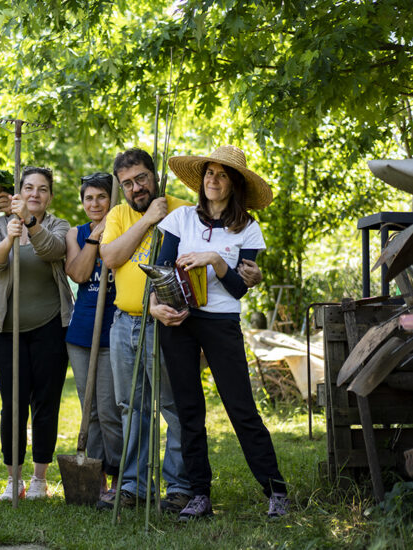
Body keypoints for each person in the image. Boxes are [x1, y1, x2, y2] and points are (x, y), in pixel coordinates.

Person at [151, 145, 288, 520]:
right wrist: (155, 307)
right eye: (209, 172)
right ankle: (199, 495)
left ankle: (275, 491)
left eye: (222, 174)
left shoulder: (248, 229)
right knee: (188, 410)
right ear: (202, 179)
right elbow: (162, 272)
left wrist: (213, 259)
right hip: (178, 322)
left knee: (241, 408)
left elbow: (240, 289)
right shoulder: (180, 220)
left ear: (234, 184)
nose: (213, 179)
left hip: (221, 322)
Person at [97, 148, 192, 512]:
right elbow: (111, 258)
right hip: (124, 323)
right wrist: (148, 218)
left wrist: (163, 216)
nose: (136, 187)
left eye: (141, 178)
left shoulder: (182, 210)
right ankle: (135, 485)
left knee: (173, 405)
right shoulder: (119, 214)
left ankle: (180, 486)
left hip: (167, 323)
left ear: (154, 176)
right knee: (131, 407)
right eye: (127, 184)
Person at [0, 167, 72, 501]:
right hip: (8, 330)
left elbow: (53, 250)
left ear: (49, 196)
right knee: (12, 406)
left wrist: (30, 225)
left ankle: (38, 479)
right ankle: (12, 479)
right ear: (19, 191)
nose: (35, 194)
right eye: (29, 188)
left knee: (45, 403)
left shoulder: (58, 226)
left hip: (49, 327)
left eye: (42, 189)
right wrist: (9, 235)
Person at [64, 172, 122, 496]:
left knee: (111, 409)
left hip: (114, 329)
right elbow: (79, 273)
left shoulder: (125, 229)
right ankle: (95, 477)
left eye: (102, 197)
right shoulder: (76, 233)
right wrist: (94, 238)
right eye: (89, 198)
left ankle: (119, 477)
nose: (95, 203)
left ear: (112, 200)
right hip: (82, 332)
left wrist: (108, 234)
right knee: (92, 411)